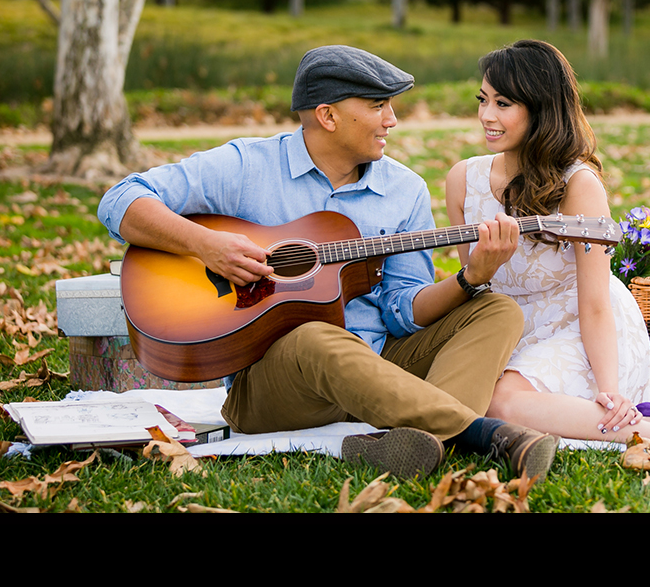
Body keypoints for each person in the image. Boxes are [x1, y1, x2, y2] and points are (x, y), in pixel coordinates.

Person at [98, 45, 561, 480]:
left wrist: (469, 278)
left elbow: (403, 309)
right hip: (276, 385)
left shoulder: (404, 190)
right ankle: (484, 436)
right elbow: (121, 200)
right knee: (318, 336)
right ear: (328, 115)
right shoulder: (248, 166)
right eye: (379, 106)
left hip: (382, 363)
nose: (392, 121)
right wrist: (206, 245)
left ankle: (401, 441)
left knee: (496, 309)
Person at [446, 40, 650, 451]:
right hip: (504, 328)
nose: (486, 116)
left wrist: (610, 390)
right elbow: (477, 289)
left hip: (581, 327)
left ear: (541, 109)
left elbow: (594, 302)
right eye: (483, 100)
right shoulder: (462, 179)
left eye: (503, 104)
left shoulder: (578, 185)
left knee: (500, 403)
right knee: (462, 400)